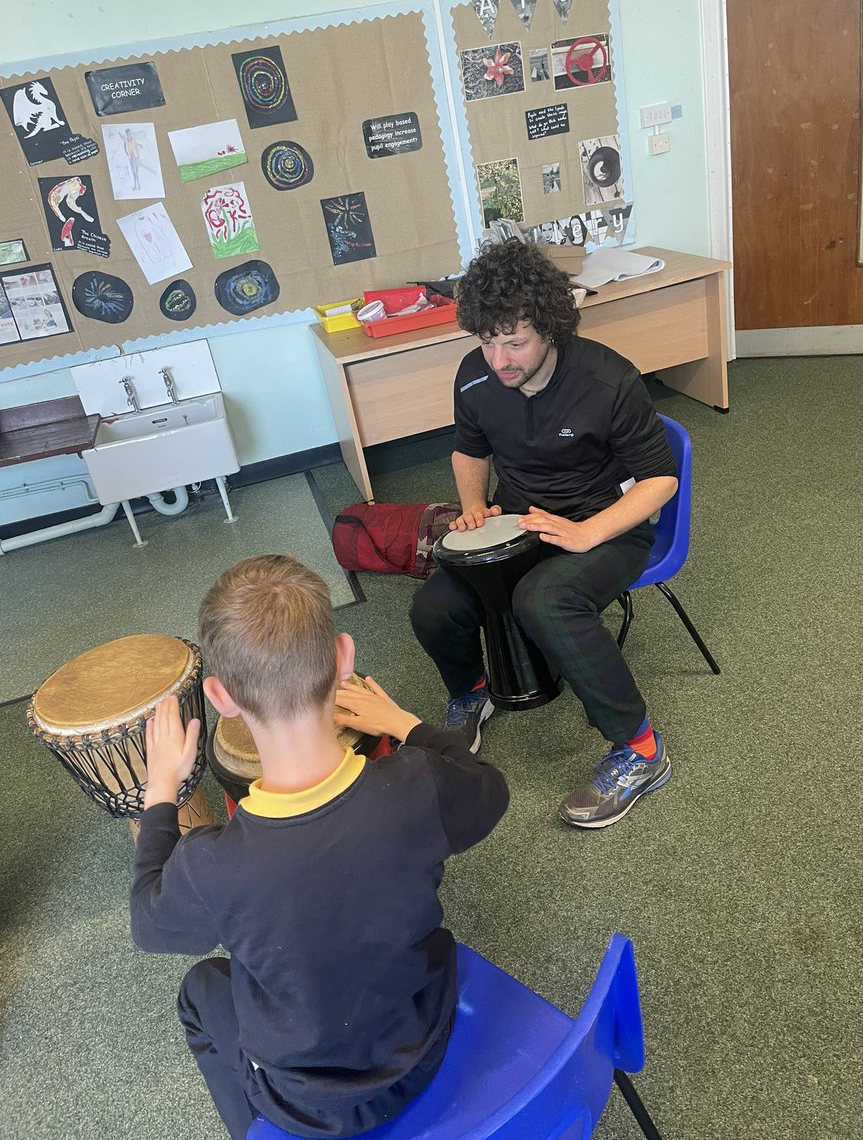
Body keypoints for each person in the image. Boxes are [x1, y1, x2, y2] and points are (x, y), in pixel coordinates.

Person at [130, 555, 508, 1140]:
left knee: (201, 988)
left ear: (220, 697)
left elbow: (148, 924)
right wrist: (406, 723)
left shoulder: (209, 863)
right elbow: (489, 788)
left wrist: (159, 797)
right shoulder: (418, 784)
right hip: (427, 1043)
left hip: (309, 1108)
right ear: (344, 657)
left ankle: (253, 1126)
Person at [410, 239, 678, 830]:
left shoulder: (608, 380)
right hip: (519, 518)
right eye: (487, 341)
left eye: (515, 343)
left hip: (607, 524)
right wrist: (476, 506)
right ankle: (472, 692)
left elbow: (661, 479)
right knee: (434, 606)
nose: (499, 359)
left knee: (545, 600)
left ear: (550, 328)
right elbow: (468, 451)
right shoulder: (476, 376)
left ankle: (641, 751)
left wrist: (586, 534)